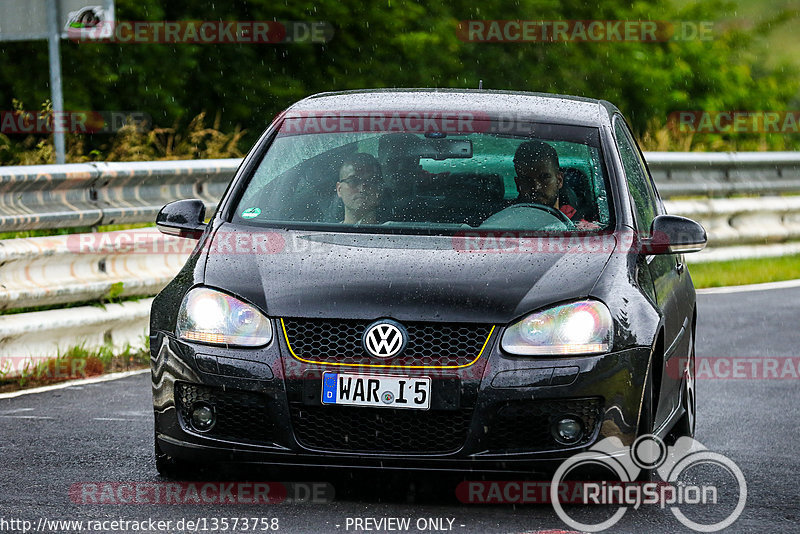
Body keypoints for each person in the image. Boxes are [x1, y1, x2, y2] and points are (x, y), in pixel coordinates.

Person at [512, 140, 599, 229]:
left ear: (559, 180)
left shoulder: (580, 223)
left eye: (544, 177)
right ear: (518, 184)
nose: (536, 187)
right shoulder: (504, 220)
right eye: (527, 180)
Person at [336, 153, 384, 224]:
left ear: (379, 188)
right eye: (353, 181)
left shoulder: (397, 231)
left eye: (370, 181)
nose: (362, 188)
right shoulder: (325, 233)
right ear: (339, 189)